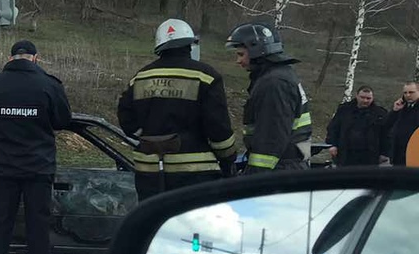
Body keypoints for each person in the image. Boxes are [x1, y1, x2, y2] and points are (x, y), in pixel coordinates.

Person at [0, 39, 72, 254]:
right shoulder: (49, 85)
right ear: (35, 59)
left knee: (0, 229)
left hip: (4, 168)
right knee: (38, 231)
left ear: (10, 59)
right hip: (38, 170)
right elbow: (63, 120)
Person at [118, 19, 236, 200]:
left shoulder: (141, 77)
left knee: (155, 223)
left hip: (150, 173)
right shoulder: (206, 76)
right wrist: (228, 160)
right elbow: (218, 127)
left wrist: (148, 134)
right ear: (190, 45)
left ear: (160, 47)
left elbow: (126, 118)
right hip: (196, 175)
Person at [224, 21, 311, 173]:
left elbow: (270, 139)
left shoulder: (274, 84)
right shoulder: (280, 76)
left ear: (256, 50)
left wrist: (254, 178)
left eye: (241, 54)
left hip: (280, 172)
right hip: (287, 167)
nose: (238, 61)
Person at [326, 85, 388, 167]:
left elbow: (386, 134)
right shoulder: (344, 110)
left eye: (368, 98)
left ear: (373, 98)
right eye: (362, 97)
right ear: (357, 96)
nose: (365, 101)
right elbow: (333, 128)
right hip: (346, 154)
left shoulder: (380, 114)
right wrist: (332, 145)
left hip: (370, 156)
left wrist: (384, 153)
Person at [382, 81, 419, 167]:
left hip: (415, 152)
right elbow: (386, 125)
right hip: (398, 153)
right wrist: (394, 111)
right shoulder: (402, 108)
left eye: (411, 92)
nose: (408, 95)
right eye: (405, 93)